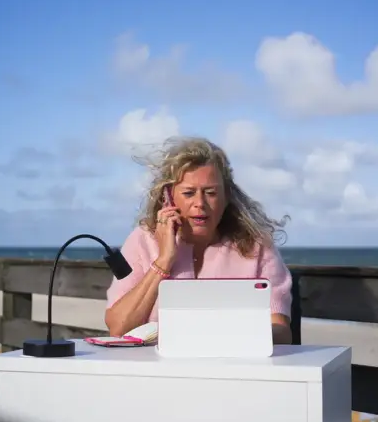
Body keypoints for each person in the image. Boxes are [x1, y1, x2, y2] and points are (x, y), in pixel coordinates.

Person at [105, 136, 293, 345]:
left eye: (210, 193)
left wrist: (222, 337)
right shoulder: (142, 241)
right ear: (167, 198)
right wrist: (164, 261)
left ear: (226, 196)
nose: (200, 203)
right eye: (188, 193)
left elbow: (282, 333)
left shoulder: (257, 247)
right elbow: (118, 329)